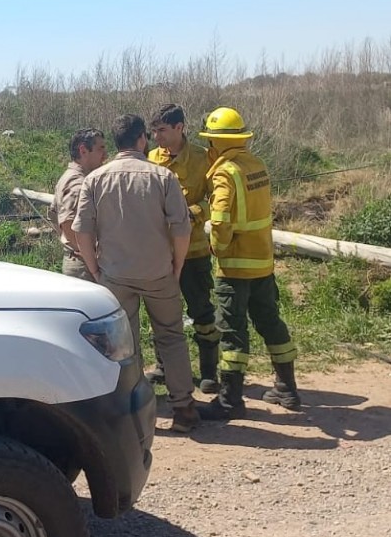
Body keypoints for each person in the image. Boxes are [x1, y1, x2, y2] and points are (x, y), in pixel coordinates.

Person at [73, 113, 205, 433]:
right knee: (171, 336)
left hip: (115, 275)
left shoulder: (95, 179)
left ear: (116, 143)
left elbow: (82, 231)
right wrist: (177, 266)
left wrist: (94, 269)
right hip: (159, 272)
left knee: (123, 344)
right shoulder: (163, 177)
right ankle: (184, 407)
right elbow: (181, 228)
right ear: (142, 139)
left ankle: (130, 412)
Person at [198, 107, 300, 419]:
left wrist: (217, 247)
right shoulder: (257, 165)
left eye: (210, 141)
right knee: (270, 322)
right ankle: (287, 389)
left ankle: (230, 400)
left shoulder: (224, 173)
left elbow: (221, 219)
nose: (208, 147)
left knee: (232, 332)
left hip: (235, 268)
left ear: (216, 142)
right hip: (263, 264)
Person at [148, 104, 220, 393]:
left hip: (194, 251)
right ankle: (164, 367)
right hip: (160, 253)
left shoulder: (203, 159)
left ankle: (208, 371)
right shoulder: (151, 159)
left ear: (180, 128)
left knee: (201, 310)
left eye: (162, 130)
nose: (157, 137)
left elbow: (217, 200)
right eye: (154, 131)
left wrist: (193, 212)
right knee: (161, 313)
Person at [48, 128, 108, 281]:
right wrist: (90, 256)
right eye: (100, 148)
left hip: (81, 263)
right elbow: (68, 225)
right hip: (84, 267)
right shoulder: (78, 183)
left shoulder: (71, 178)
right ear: (83, 150)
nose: (105, 155)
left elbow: (54, 216)